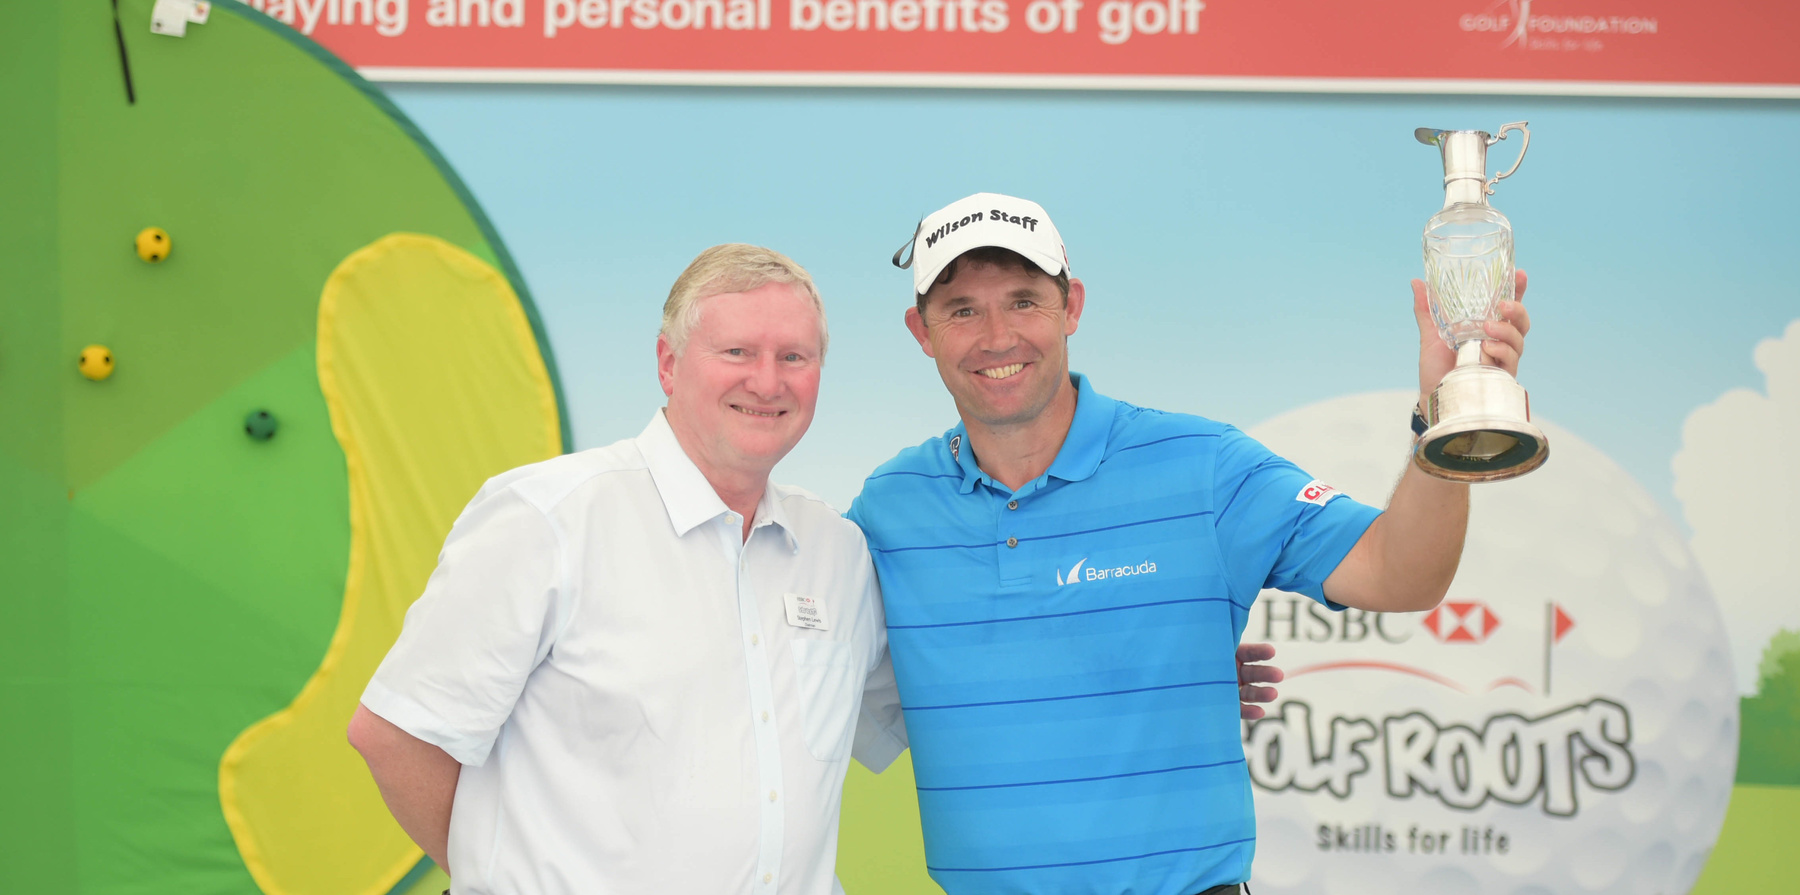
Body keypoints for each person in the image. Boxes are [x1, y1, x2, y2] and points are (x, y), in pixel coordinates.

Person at [845, 192, 1531, 895]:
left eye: (1024, 300)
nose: (996, 335)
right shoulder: (889, 507)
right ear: (921, 330)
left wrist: (1443, 418)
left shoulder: (1203, 464)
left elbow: (1400, 574)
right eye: (962, 309)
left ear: (1072, 306)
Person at [346, 244, 908, 894]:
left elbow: (909, 710)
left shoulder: (836, 551)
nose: (767, 380)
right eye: (736, 352)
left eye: (794, 357)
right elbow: (395, 734)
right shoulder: (548, 518)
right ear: (669, 364)